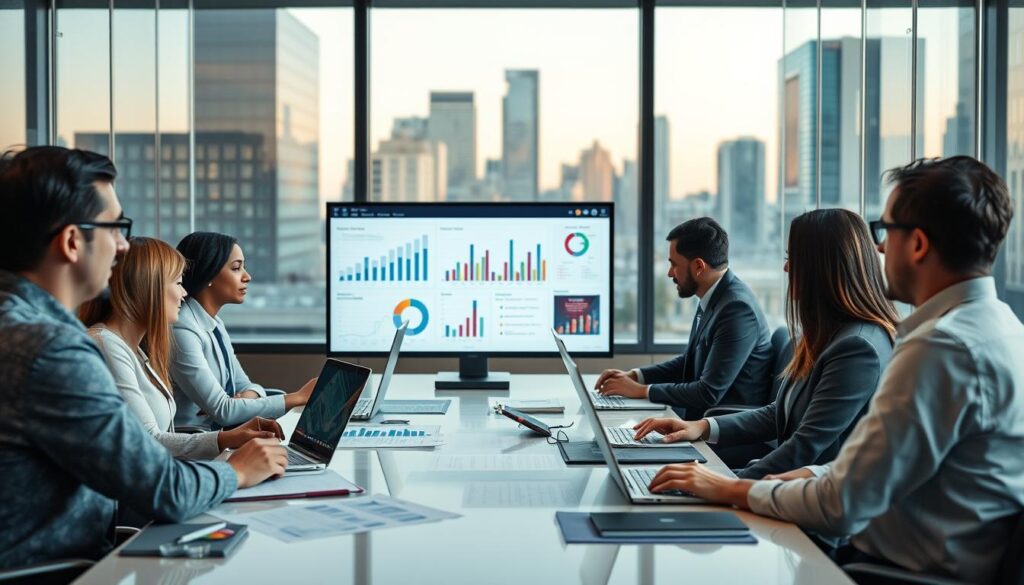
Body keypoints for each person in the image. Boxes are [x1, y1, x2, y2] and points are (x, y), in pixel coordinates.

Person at [645, 156, 1024, 583]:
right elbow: (883, 468)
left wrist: (729, 486)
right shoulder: (1003, 328)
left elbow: (843, 504)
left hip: (882, 571)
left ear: (917, 244)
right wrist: (805, 474)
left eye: (885, 231)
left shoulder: (940, 348)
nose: (878, 247)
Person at [0, 146, 286, 569]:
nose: (122, 245)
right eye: (116, 227)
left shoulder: (18, 324)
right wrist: (240, 470)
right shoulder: (50, 349)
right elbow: (163, 488)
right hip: (63, 570)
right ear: (73, 241)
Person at [633, 209, 899, 479]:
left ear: (822, 266)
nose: (786, 268)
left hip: (810, 504)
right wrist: (701, 426)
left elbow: (805, 446)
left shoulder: (857, 347)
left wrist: (725, 482)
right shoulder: (830, 335)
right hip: (784, 486)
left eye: (791, 258)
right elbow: (780, 413)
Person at [80, 236, 285, 460]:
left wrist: (233, 437)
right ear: (150, 288)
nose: (184, 293)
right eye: (178, 283)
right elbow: (149, 440)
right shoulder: (106, 345)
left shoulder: (134, 351)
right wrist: (229, 445)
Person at [596, 217, 773, 419]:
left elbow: (708, 393)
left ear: (699, 266)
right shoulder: (714, 298)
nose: (670, 273)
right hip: (697, 419)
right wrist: (635, 376)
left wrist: (640, 391)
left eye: (674, 264)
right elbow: (687, 364)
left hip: (722, 430)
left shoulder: (737, 309)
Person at [171, 232, 315, 429]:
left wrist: (246, 397)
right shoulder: (182, 328)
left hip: (221, 435)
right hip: (194, 440)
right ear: (209, 273)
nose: (247, 277)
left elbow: (246, 385)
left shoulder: (215, 324)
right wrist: (298, 397)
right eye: (236, 268)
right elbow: (224, 412)